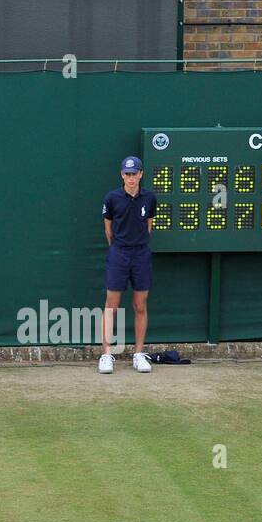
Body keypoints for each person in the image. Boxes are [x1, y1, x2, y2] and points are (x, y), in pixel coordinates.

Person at [99, 156, 157, 375]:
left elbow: (149, 226)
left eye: (134, 174)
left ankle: (138, 354)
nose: (131, 178)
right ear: (122, 175)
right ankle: (106, 355)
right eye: (127, 174)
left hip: (141, 255)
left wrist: (138, 246)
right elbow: (108, 230)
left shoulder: (150, 198)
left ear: (141, 174)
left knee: (140, 305)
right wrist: (118, 250)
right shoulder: (112, 198)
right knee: (111, 305)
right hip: (119, 254)